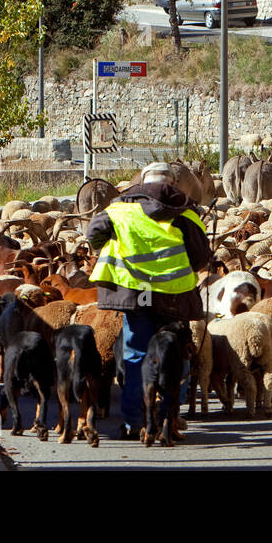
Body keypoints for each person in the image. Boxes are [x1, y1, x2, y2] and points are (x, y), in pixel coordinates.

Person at [86, 161, 211, 440]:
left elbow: (93, 232)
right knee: (177, 354)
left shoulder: (119, 209)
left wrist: (109, 248)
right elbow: (202, 257)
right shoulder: (186, 212)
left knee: (135, 354)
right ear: (172, 184)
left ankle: (135, 422)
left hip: (135, 294)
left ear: (142, 181)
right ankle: (170, 418)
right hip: (174, 296)